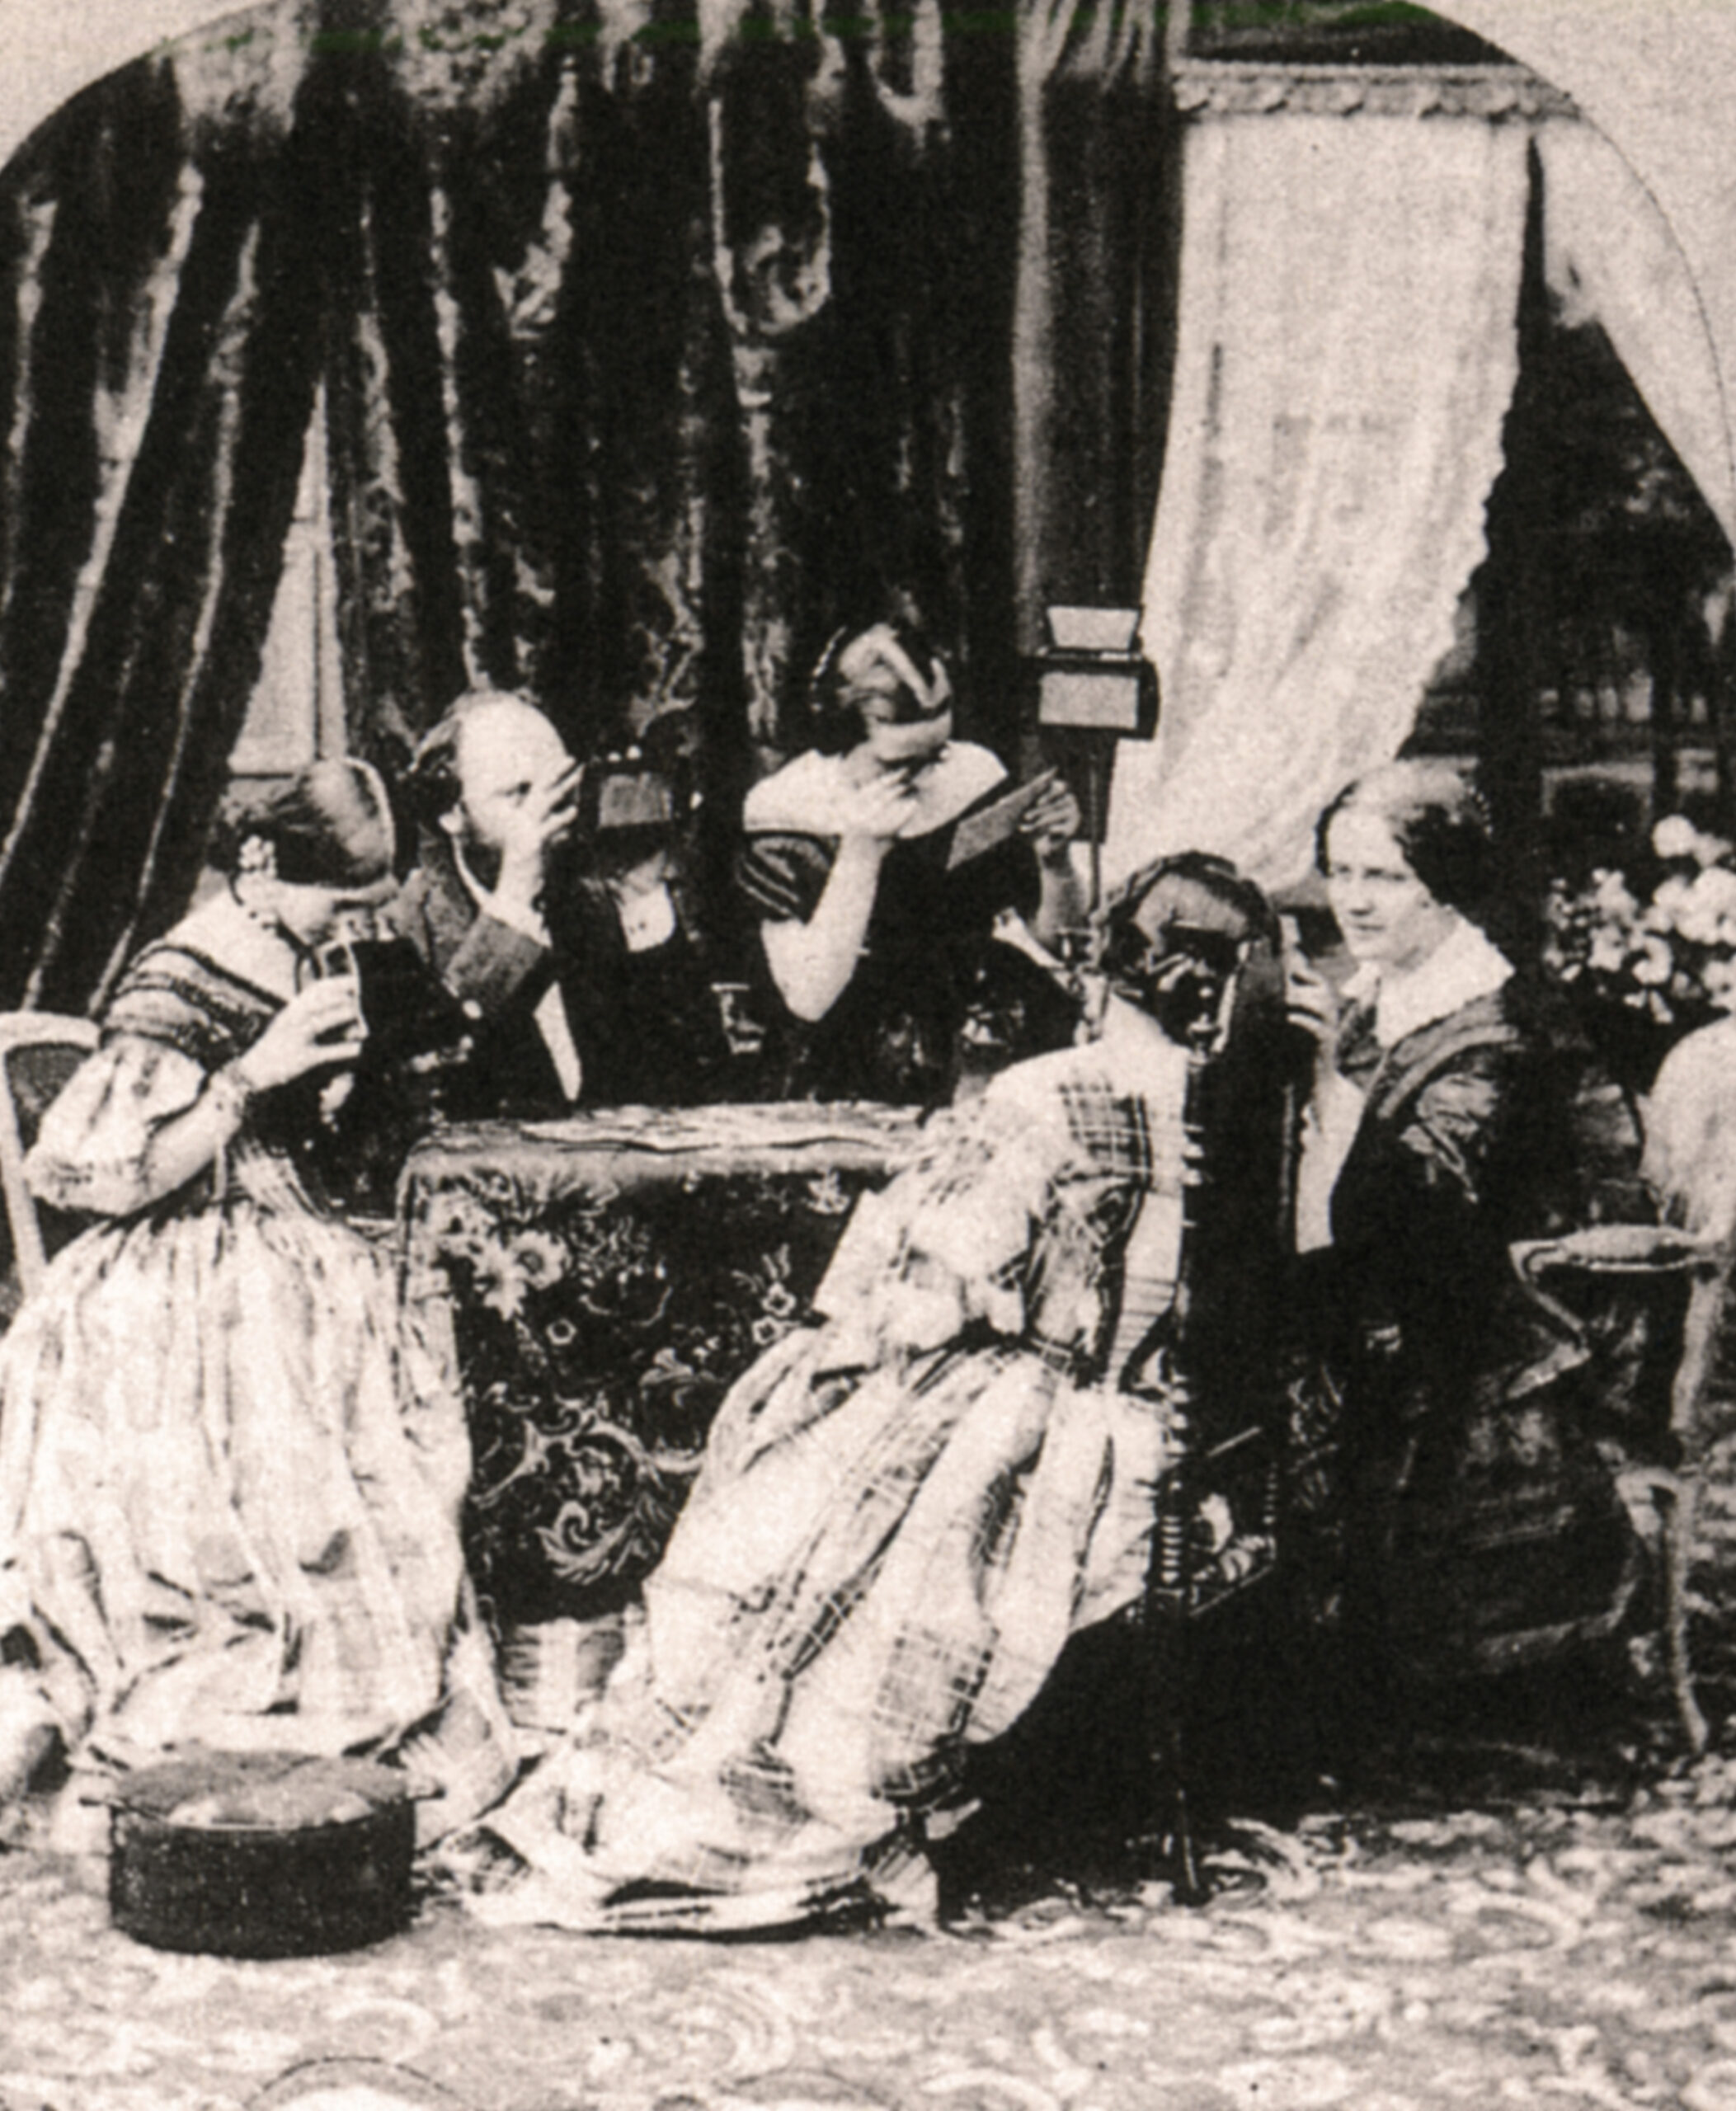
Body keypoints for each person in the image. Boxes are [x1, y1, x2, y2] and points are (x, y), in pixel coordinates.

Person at [451, 854, 1287, 1934]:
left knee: (794, 1470)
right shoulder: (1255, 1099)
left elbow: (929, 1298)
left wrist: (882, 1318)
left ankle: (753, 1786)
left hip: (1049, 1422)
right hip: (1158, 1420)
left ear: (1109, 960)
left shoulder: (1050, 1093)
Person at [0, 760, 516, 1846]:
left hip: (300, 1241)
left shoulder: (303, 947)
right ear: (260, 862)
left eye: (369, 909)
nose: (352, 928)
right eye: (340, 904)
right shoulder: (177, 977)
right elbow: (108, 1180)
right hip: (178, 1269)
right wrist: (253, 1075)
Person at [1286, 760, 1657, 1698]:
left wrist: (1323, 1083)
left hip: (1495, 1316)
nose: (1352, 900)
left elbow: (1422, 1207)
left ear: (1442, 882)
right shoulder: (1390, 986)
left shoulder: (1495, 1024)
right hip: (1422, 1278)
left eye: (1384, 877)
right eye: (1340, 872)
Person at [737, 622, 1084, 1106]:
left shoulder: (973, 773)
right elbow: (809, 998)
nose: (920, 776)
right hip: (846, 1062)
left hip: (977, 1042)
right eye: (897, 764)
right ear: (842, 740)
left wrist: (1055, 862)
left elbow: (1056, 940)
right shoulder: (787, 807)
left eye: (934, 755)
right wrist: (861, 852)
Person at [393, 690, 728, 1112]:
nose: (551, 815)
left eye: (559, 788)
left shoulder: (593, 903)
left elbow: (699, 1077)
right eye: (519, 794)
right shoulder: (407, 925)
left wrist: (641, 895)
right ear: (451, 813)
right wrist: (515, 896)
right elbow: (430, 1082)